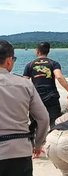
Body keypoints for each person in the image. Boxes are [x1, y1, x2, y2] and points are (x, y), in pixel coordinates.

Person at [0, 40, 49, 176]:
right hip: (19, 152)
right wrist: (38, 144)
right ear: (9, 61)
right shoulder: (25, 84)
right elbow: (43, 119)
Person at [23, 42, 68, 127]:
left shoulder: (30, 65)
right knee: (55, 123)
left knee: (35, 124)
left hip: (36, 97)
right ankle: (53, 139)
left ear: (37, 51)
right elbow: (59, 77)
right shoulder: (53, 63)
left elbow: (24, 82)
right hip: (51, 97)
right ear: (48, 52)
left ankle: (35, 139)